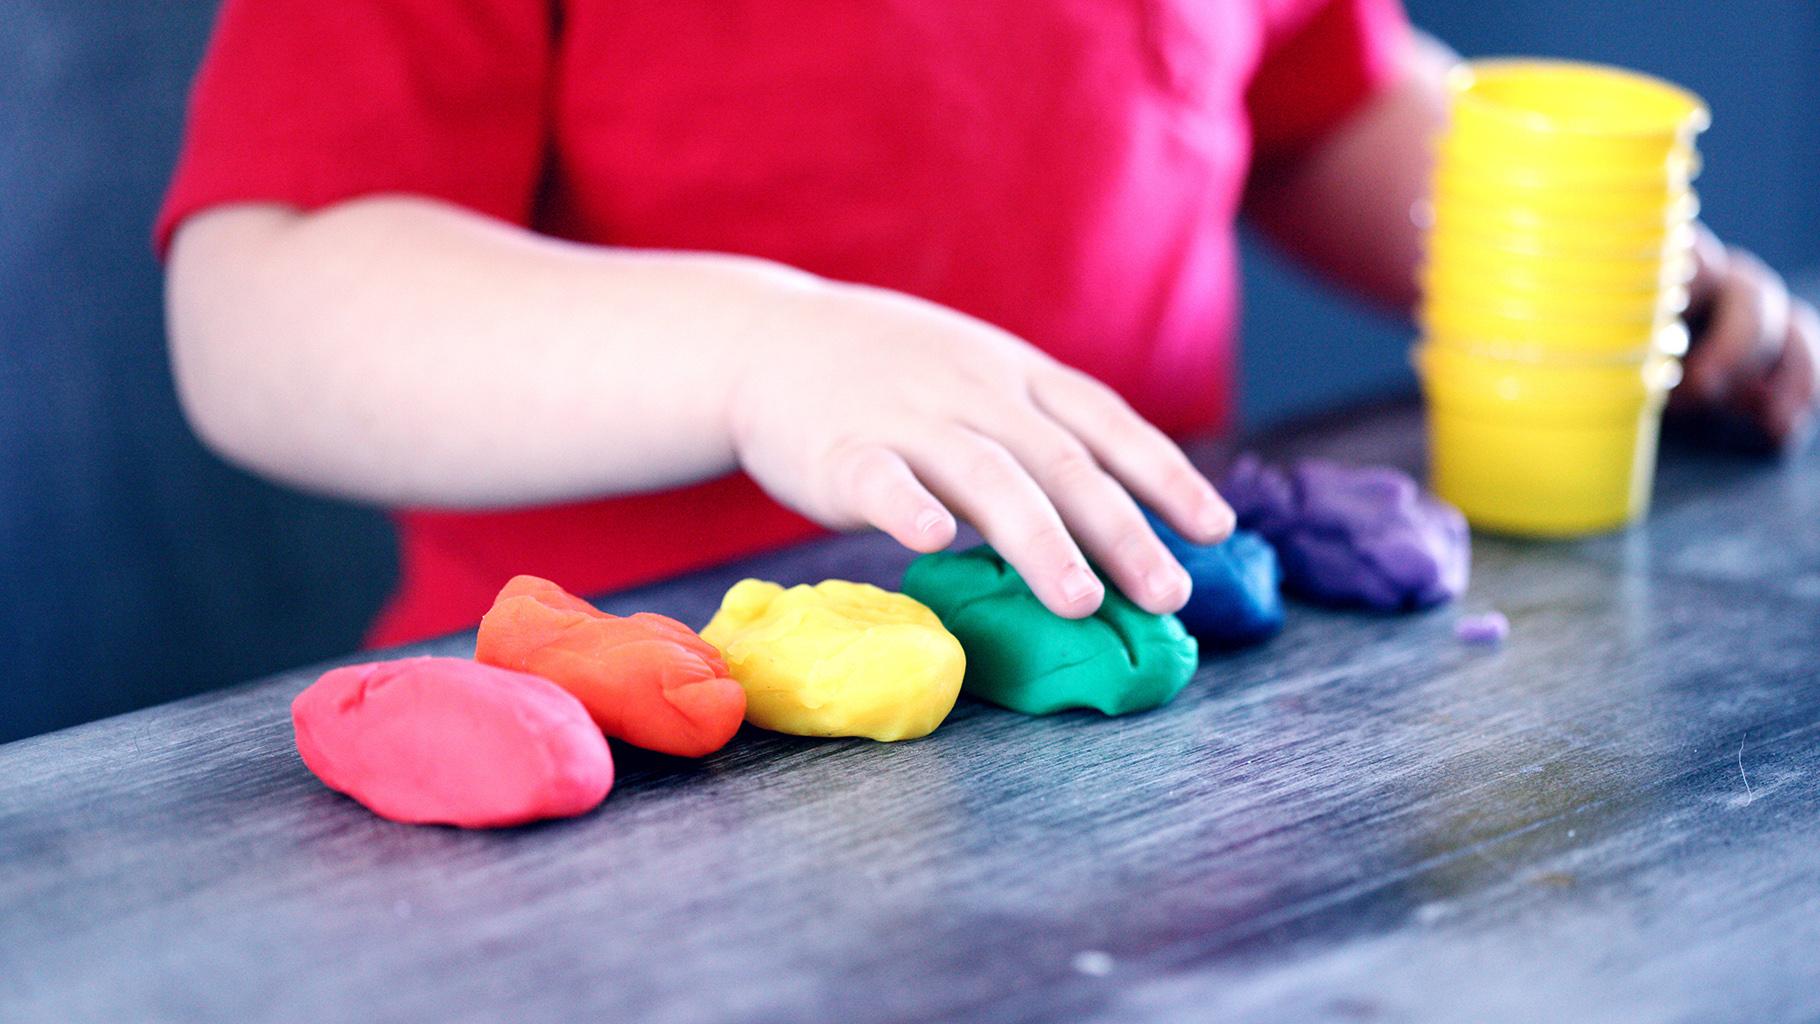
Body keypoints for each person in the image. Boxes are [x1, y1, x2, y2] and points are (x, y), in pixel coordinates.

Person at [159, 1, 1818, 646]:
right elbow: (265, 302)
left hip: (1145, 709)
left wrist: (1600, 267)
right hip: (621, 749)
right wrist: (760, 354)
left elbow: (1316, 105)